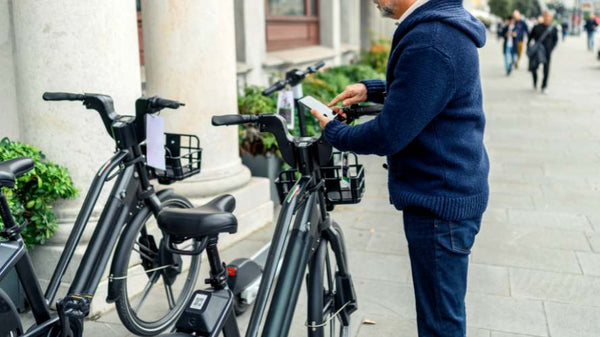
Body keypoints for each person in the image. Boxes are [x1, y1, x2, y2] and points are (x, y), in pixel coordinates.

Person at [311, 0, 489, 336]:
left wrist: (334, 131)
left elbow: (388, 134)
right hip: (448, 189)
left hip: (440, 201)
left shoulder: (432, 38)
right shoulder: (439, 27)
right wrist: (373, 88)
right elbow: (425, 88)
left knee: (440, 323)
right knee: (440, 314)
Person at [528, 10, 558, 94]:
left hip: (547, 52)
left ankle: (544, 86)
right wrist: (529, 47)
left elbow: (556, 40)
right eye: (546, 16)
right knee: (533, 68)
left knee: (546, 70)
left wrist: (551, 48)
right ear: (543, 17)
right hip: (537, 52)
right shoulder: (537, 27)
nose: (547, 18)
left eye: (549, 17)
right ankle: (535, 81)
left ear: (551, 18)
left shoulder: (553, 28)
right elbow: (530, 37)